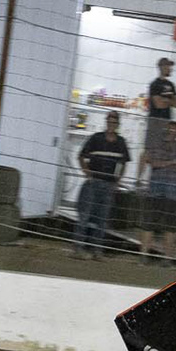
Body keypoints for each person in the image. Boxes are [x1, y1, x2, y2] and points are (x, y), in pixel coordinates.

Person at [72, 110, 130, 257]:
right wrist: (87, 173)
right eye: (109, 121)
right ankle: (78, 249)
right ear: (106, 122)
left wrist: (117, 180)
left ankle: (97, 250)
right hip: (94, 182)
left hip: (109, 184)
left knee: (102, 220)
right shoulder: (96, 138)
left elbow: (123, 163)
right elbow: (81, 156)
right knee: (84, 216)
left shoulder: (121, 142)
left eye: (114, 122)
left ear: (118, 124)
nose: (111, 124)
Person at [138, 121, 176, 263]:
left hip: (173, 193)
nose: (171, 132)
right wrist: (172, 163)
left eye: (174, 130)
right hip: (155, 191)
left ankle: (167, 259)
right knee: (148, 225)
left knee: (170, 227)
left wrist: (164, 163)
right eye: (169, 129)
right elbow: (153, 163)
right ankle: (143, 256)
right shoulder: (156, 147)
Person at [141, 56, 176, 178]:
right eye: (168, 66)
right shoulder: (155, 84)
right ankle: (139, 177)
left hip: (166, 121)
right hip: (155, 120)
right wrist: (169, 100)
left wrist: (166, 100)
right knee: (149, 150)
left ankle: (154, 177)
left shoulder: (171, 85)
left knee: (161, 151)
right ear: (162, 67)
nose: (170, 69)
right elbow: (158, 104)